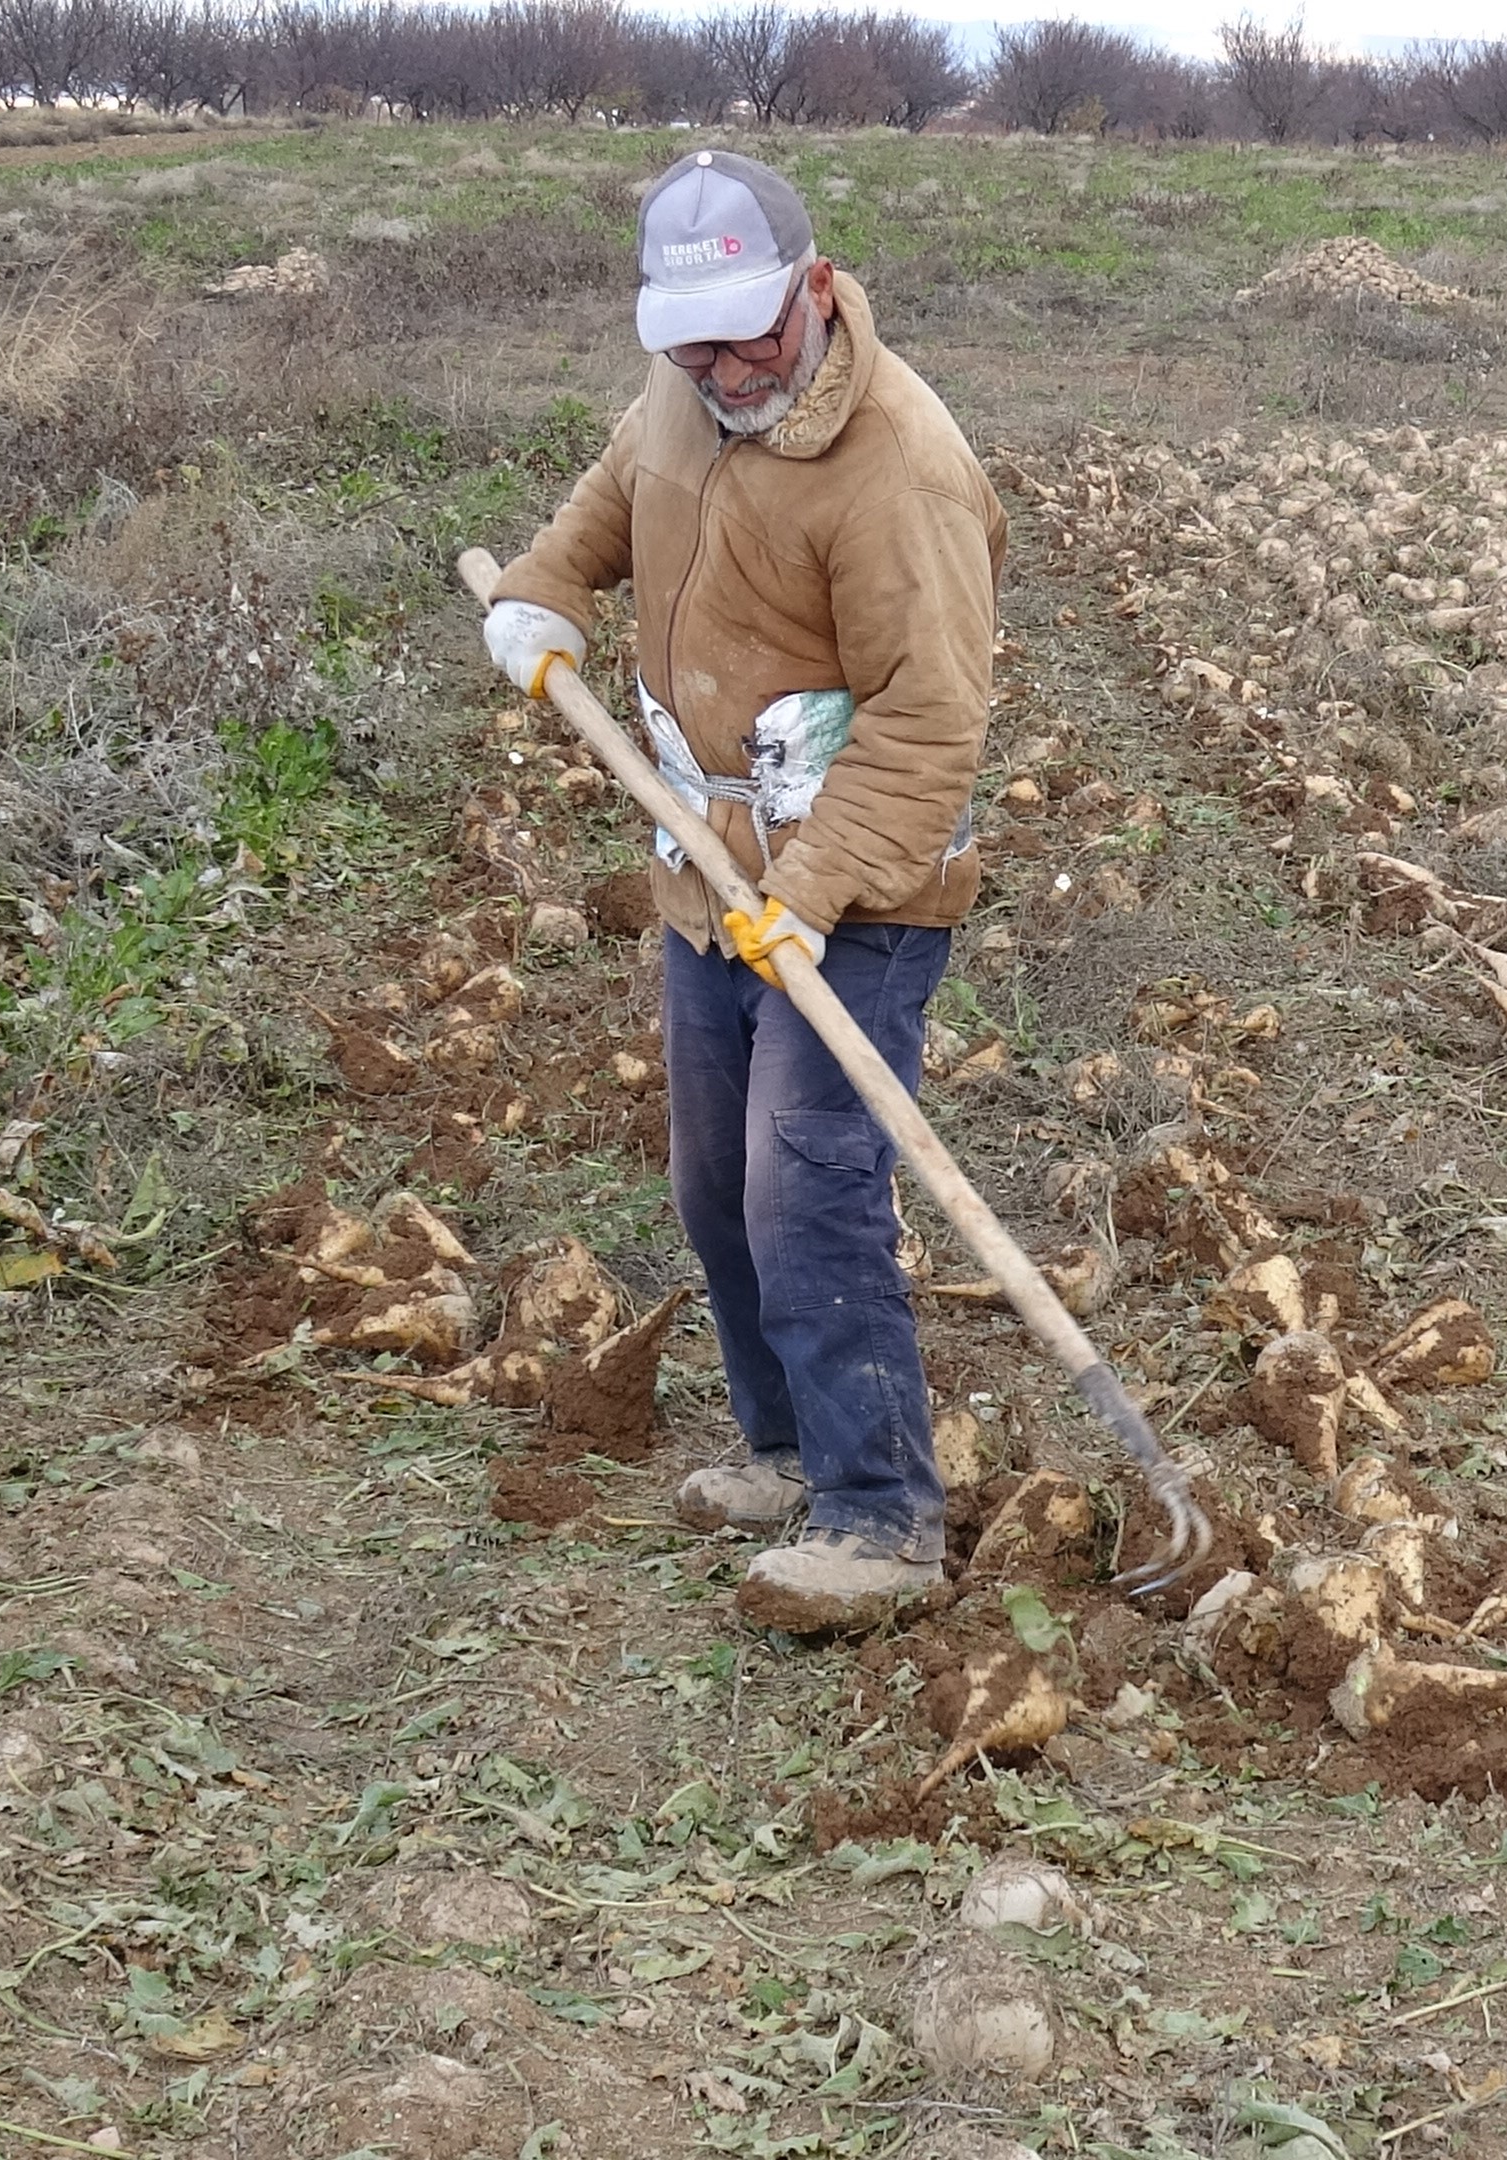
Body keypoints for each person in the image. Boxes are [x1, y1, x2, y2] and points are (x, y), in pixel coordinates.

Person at [475, 150, 1004, 1633]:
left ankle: (882, 1514)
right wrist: (541, 589)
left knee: (805, 1179)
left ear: (815, 290)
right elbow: (613, 498)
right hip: (710, 867)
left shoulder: (900, 468)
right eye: (691, 343)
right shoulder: (686, 387)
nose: (725, 371)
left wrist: (818, 888)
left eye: (752, 337)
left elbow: (931, 721)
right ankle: (781, 1450)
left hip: (868, 884)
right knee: (717, 1180)